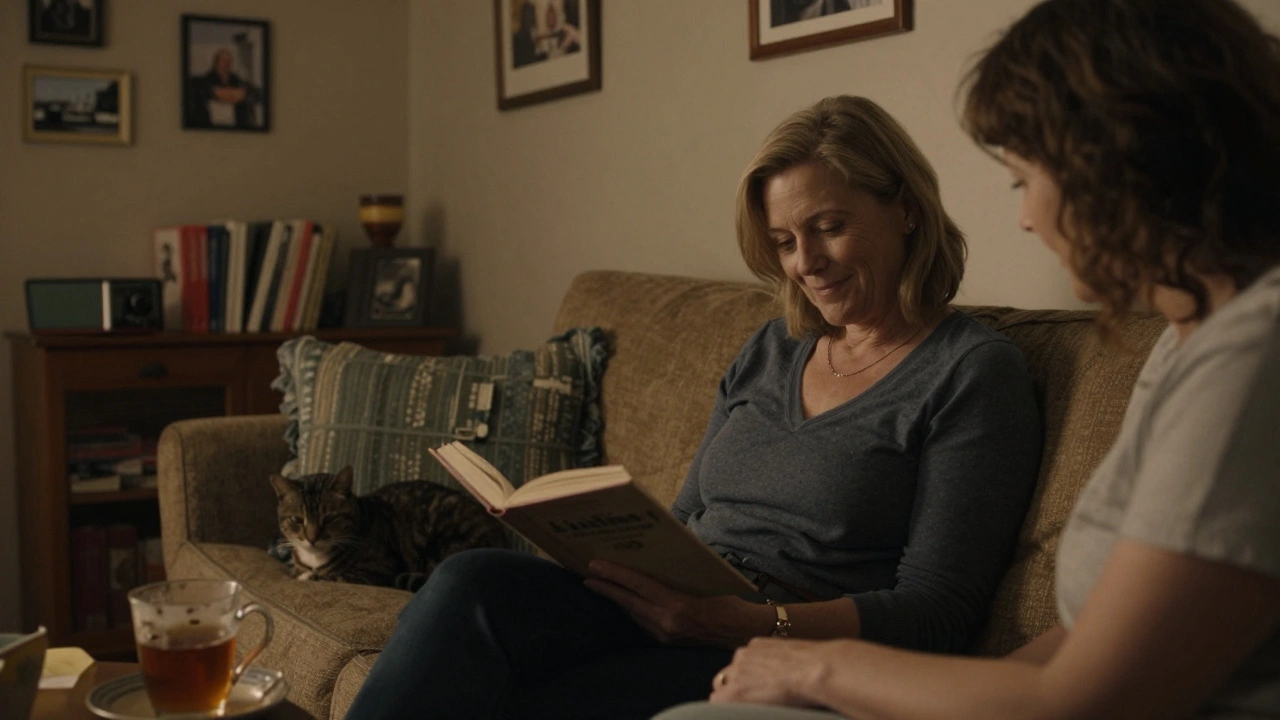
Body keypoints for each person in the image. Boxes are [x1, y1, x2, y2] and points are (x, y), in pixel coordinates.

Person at [656, 1, 1280, 718]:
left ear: (1120, 163)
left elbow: (1085, 697)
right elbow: (1085, 643)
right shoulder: (1186, 342)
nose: (1025, 217)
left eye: (1024, 178)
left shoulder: (1251, 359)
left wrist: (809, 663)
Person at [343, 95, 1043, 720]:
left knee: (530, 700)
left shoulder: (971, 372)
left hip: (775, 647)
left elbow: (936, 613)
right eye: (785, 242)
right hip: (669, 610)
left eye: (830, 226)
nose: (806, 263)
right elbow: (683, 519)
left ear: (907, 210)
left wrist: (746, 621)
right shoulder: (772, 347)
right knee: (471, 580)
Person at [186, 48, 260, 129]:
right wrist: (217, 93)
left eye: (229, 61)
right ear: (216, 63)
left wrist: (242, 94)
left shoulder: (236, 80)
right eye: (223, 61)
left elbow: (254, 92)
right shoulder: (205, 81)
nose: (226, 64)